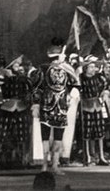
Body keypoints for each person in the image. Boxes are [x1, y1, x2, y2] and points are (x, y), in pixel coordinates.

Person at [33, 42, 80, 175]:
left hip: (62, 107)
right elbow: (37, 87)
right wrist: (36, 103)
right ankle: (44, 165)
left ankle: (54, 164)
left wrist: (77, 75)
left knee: (58, 137)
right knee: (45, 137)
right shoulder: (43, 69)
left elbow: (75, 84)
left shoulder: (66, 69)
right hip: (47, 105)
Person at [78, 56, 110, 166]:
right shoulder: (81, 78)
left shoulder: (99, 78)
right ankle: (87, 156)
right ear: (86, 68)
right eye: (91, 67)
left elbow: (106, 86)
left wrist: (105, 93)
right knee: (86, 132)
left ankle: (101, 156)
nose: (93, 69)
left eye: (94, 67)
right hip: (86, 106)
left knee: (100, 131)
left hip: (97, 105)